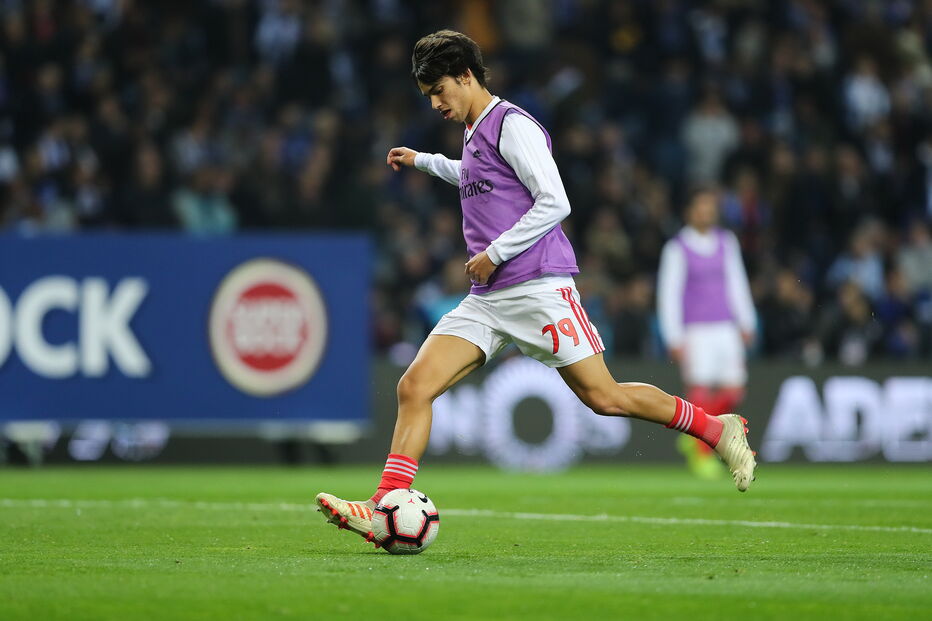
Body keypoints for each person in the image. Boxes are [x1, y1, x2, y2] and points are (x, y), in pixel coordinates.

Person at [315, 30, 756, 544]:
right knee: (414, 386)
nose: (435, 102)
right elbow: (477, 177)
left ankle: (716, 429)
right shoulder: (475, 129)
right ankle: (381, 505)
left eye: (439, 90)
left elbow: (554, 201)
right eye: (428, 95)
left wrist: (494, 253)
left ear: (465, 76)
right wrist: (423, 161)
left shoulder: (512, 124)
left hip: (538, 287)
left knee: (605, 397)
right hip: (488, 300)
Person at [657, 187, 757, 478]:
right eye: (701, 207)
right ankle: (701, 453)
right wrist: (672, 335)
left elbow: (737, 282)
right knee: (699, 390)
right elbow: (669, 293)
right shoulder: (677, 247)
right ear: (689, 212)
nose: (706, 212)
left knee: (734, 389)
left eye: (710, 207)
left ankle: (692, 436)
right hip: (696, 329)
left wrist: (746, 322)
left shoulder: (727, 242)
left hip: (726, 327)